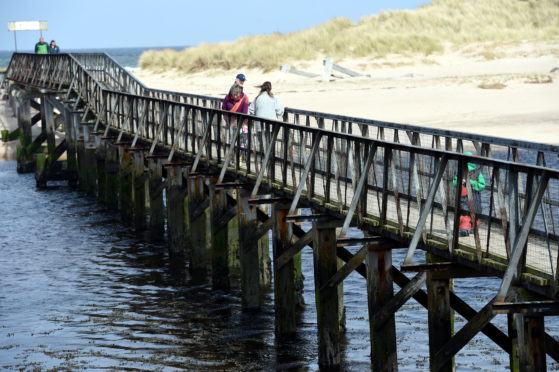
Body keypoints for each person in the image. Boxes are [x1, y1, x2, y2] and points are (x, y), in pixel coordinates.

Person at [453, 151, 485, 237]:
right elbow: (455, 182)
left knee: (475, 213)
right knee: (465, 213)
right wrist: (460, 181)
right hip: (464, 197)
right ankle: (464, 229)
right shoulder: (461, 172)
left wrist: (470, 183)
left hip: (475, 196)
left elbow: (482, 185)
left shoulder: (477, 173)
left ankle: (473, 228)